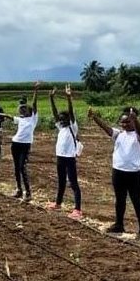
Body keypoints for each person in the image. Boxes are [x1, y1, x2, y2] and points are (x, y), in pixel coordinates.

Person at [88, 106, 140, 236]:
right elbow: (106, 129)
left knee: (137, 200)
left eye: (128, 121)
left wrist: (136, 120)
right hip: (118, 171)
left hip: (134, 173)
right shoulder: (119, 134)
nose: (125, 124)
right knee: (120, 199)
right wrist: (95, 118)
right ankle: (119, 224)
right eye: (123, 122)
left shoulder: (139, 135)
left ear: (133, 121)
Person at [0, 83, 39, 202]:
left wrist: (35, 90)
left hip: (25, 145)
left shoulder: (33, 118)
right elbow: (8, 116)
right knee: (17, 168)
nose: (23, 110)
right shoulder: (20, 119)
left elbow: (34, 104)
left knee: (22, 167)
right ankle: (19, 190)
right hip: (15, 144)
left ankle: (28, 192)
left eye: (25, 109)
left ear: (30, 111)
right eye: (22, 109)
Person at [47, 86, 82, 215]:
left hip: (69, 158)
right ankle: (58, 203)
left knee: (73, 183)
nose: (61, 120)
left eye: (64, 119)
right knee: (61, 181)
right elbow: (55, 113)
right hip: (60, 157)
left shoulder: (73, 127)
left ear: (69, 119)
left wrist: (68, 97)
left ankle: (77, 209)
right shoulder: (61, 127)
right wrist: (51, 98)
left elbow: (71, 112)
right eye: (60, 119)